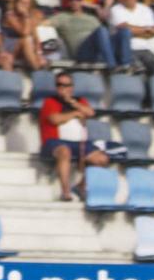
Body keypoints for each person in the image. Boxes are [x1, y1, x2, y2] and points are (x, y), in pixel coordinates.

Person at [38, 70, 110, 200]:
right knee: (64, 152)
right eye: (59, 85)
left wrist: (73, 103)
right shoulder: (50, 101)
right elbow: (55, 119)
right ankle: (65, 191)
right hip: (55, 141)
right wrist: (75, 114)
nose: (63, 88)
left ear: (72, 87)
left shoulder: (80, 100)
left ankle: (81, 186)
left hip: (78, 142)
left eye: (66, 85)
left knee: (102, 159)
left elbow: (90, 112)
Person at [50, 0, 131, 67]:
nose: (74, 2)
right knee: (102, 31)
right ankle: (112, 67)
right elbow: (42, 23)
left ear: (82, 1)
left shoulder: (91, 18)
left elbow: (105, 38)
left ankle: (126, 66)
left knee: (124, 32)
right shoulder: (62, 17)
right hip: (82, 53)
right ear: (68, 1)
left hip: (99, 51)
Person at [108, 0, 154, 73]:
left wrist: (134, 31)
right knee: (139, 70)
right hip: (127, 50)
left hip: (144, 49)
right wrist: (146, 29)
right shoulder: (115, 9)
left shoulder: (145, 9)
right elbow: (125, 30)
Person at [1, 0, 47, 70]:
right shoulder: (10, 15)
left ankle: (39, 67)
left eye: (27, 3)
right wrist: (25, 15)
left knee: (41, 59)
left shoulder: (31, 16)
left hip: (24, 48)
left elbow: (35, 36)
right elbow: (24, 33)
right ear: (16, 3)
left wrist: (39, 53)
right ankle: (38, 70)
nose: (24, 6)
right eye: (22, 2)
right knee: (26, 39)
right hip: (9, 46)